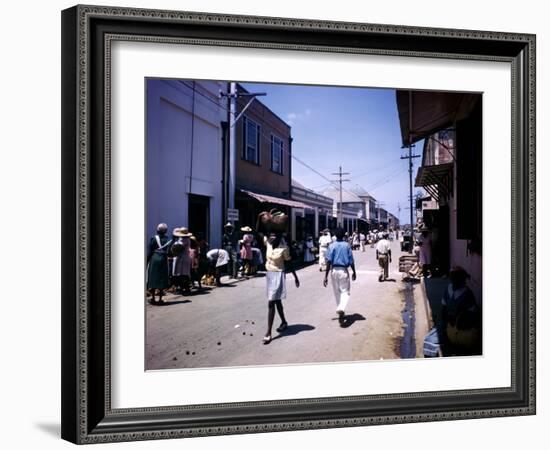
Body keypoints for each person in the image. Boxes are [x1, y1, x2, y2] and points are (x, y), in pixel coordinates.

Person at [263, 232, 300, 344]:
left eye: (275, 236)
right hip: (269, 274)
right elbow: (259, 231)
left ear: (279, 238)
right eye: (271, 236)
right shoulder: (268, 244)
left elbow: (289, 264)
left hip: (278, 275)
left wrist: (295, 277)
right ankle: (284, 322)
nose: (272, 238)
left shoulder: (284, 249)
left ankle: (268, 332)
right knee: (277, 301)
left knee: (271, 302)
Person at [437, 266, 481, 356]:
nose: (455, 280)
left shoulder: (467, 293)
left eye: (458, 278)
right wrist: (446, 318)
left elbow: (473, 312)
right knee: (441, 331)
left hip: (461, 322)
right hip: (449, 321)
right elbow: (444, 307)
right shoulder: (448, 289)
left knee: (463, 340)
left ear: (462, 280)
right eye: (453, 277)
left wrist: (462, 319)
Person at [323, 227, 357, 326]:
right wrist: (354, 272)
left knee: (337, 292)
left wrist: (325, 276)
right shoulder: (347, 245)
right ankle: (341, 309)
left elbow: (328, 261)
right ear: (344, 235)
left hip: (333, 270)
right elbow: (351, 260)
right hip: (343, 270)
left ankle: (341, 312)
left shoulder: (331, 246)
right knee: (345, 291)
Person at [146, 223, 172, 305]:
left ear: (157, 230)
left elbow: (150, 251)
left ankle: (153, 298)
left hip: (154, 258)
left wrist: (147, 261)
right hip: (163, 259)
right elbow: (169, 252)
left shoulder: (153, 238)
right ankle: (160, 299)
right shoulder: (168, 240)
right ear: (166, 231)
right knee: (161, 279)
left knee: (153, 278)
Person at [171, 227, 192, 294]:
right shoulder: (187, 239)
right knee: (185, 274)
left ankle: (183, 289)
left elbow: (177, 248)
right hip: (185, 257)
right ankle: (186, 289)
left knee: (182, 275)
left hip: (182, 258)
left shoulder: (183, 240)